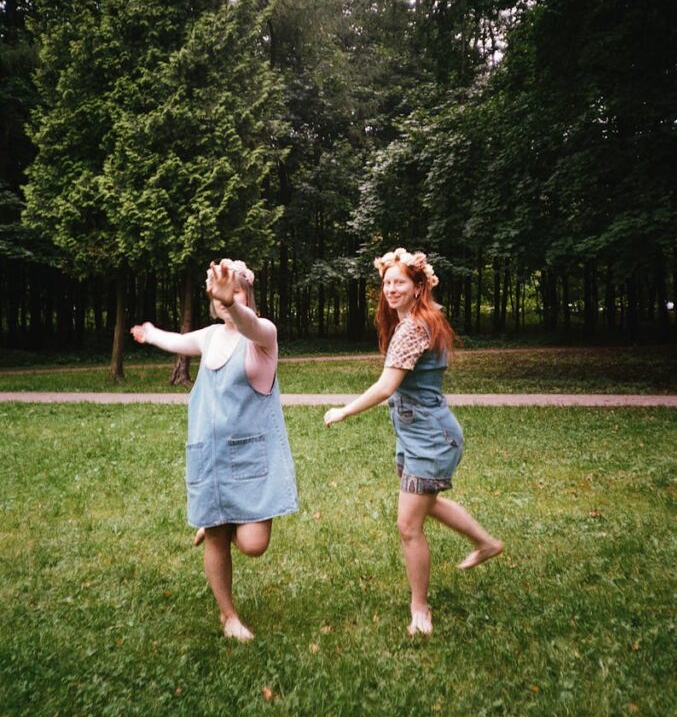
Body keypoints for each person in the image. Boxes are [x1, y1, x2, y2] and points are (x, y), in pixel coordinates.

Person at [324, 248, 503, 637]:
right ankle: (486, 542)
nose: (390, 289)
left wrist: (343, 411)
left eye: (399, 282)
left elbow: (387, 386)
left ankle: (419, 608)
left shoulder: (414, 327)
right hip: (417, 434)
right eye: (386, 282)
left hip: (430, 438)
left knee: (408, 525)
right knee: (426, 506)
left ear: (418, 286)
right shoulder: (418, 319)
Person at [131, 258, 298, 641]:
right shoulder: (208, 336)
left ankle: (217, 520)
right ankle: (229, 616)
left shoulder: (263, 337)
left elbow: (249, 324)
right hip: (210, 455)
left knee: (253, 545)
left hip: (251, 461)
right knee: (220, 537)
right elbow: (179, 342)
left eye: (237, 291)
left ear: (248, 297)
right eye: (223, 292)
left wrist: (235, 305)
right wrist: (153, 332)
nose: (228, 298)